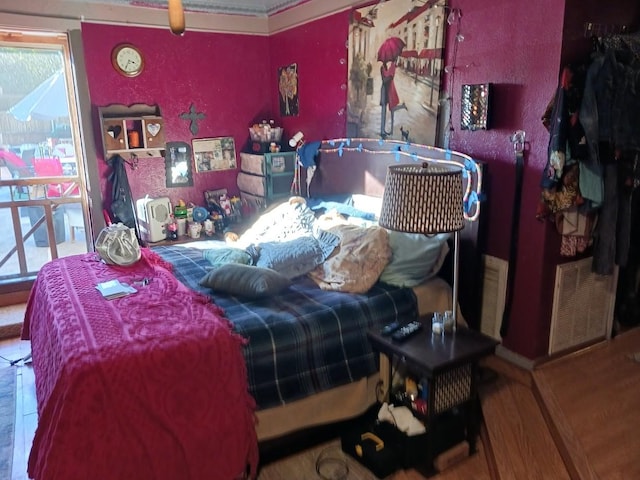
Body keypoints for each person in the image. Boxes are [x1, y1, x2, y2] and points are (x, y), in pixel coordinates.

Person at [379, 60, 406, 137]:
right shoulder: (382, 68)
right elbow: (384, 80)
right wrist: (390, 77)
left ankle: (384, 131)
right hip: (384, 90)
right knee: (383, 111)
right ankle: (382, 132)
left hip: (387, 91)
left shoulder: (387, 67)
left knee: (390, 108)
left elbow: (389, 76)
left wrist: (390, 76)